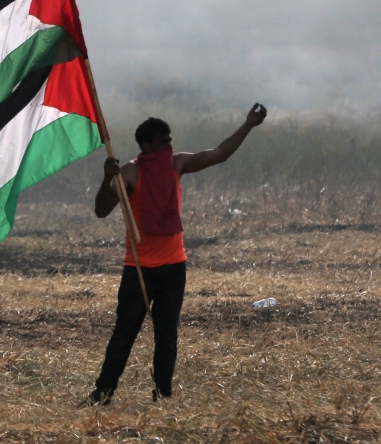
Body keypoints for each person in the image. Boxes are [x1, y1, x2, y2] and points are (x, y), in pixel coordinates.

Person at [82, 103, 268, 406]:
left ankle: (163, 395)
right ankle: (102, 394)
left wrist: (248, 125)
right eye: (163, 142)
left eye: (171, 141)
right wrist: (107, 179)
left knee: (166, 336)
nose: (170, 146)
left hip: (174, 266)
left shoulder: (176, 164)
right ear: (146, 145)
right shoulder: (130, 172)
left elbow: (219, 153)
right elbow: (101, 211)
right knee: (124, 334)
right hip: (139, 268)